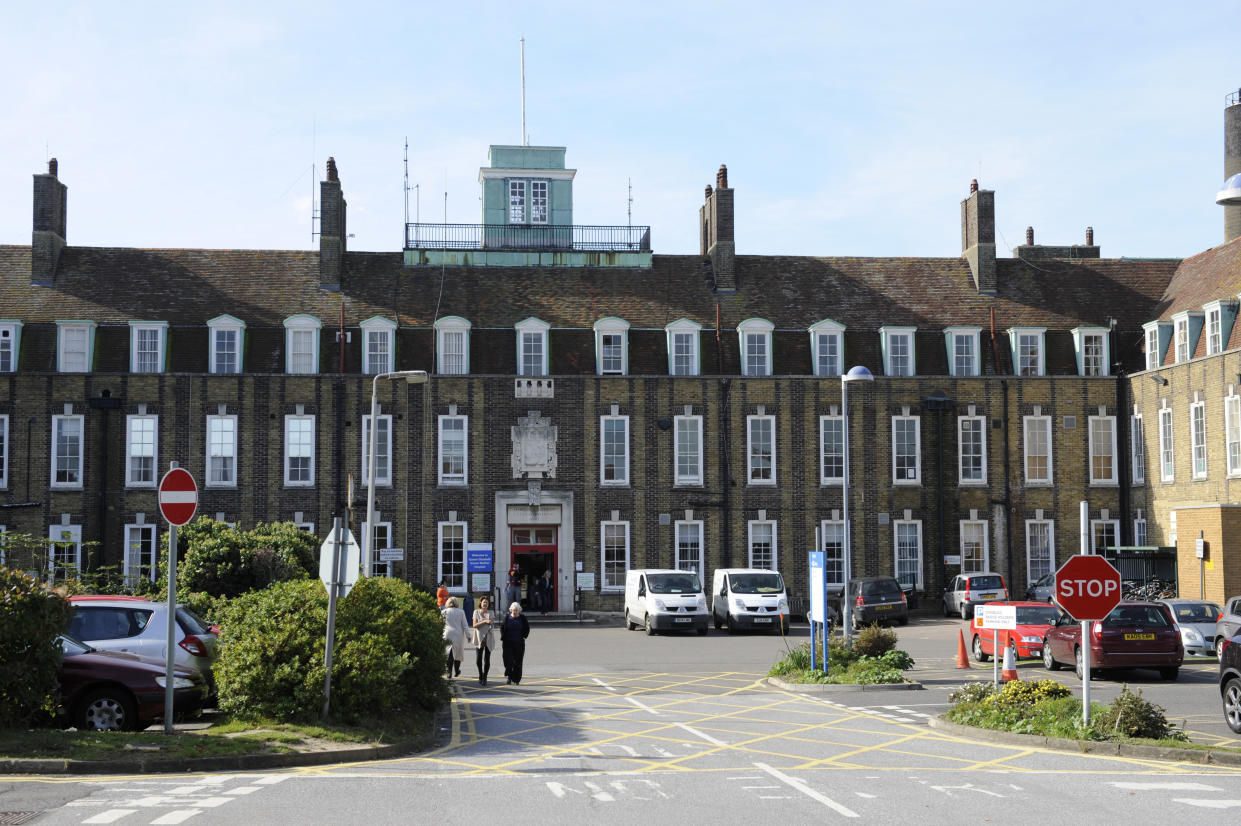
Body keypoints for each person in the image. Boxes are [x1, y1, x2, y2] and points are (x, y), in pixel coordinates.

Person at [500, 601, 530, 685]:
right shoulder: (507, 618)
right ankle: (510, 674)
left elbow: (527, 628)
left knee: (518, 662)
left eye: (517, 610)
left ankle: (516, 679)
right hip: (507, 643)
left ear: (519, 610)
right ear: (511, 610)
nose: (515, 611)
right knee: (507, 660)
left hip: (519, 643)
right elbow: (502, 628)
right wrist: (503, 637)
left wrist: (524, 636)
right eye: (514, 610)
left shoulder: (522, 618)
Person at [441, 597, 468, 679]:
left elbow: (440, 624)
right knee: (458, 653)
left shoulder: (444, 612)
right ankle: (457, 670)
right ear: (456, 603)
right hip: (458, 634)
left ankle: (449, 672)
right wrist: (469, 636)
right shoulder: (461, 612)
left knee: (448, 652)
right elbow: (465, 625)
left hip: (447, 633)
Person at [472, 597, 496, 686]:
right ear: (480, 603)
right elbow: (474, 625)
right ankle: (480, 674)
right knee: (478, 660)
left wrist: (486, 621)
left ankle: (485, 677)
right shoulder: (476, 612)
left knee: (487, 659)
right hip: (479, 638)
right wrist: (485, 621)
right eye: (484, 602)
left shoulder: (491, 612)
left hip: (488, 638)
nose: (485, 604)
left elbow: (491, 622)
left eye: (487, 602)